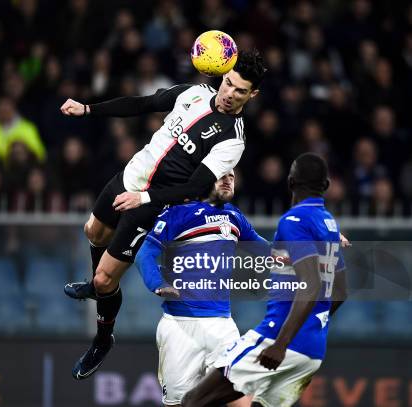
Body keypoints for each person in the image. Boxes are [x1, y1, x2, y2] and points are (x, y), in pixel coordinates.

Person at [60, 49, 267, 379]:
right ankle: (98, 287)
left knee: (104, 278)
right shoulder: (194, 93)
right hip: (129, 178)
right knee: (93, 233)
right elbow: (141, 104)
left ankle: (102, 340)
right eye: (228, 84)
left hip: (152, 204)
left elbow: (195, 188)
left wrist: (143, 199)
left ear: (252, 95)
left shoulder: (233, 140)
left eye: (240, 91)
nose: (229, 94)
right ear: (223, 77)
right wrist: (87, 109)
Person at [181, 152, 348, 407]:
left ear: (290, 182)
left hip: (276, 338)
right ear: (326, 186)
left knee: (194, 401)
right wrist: (312, 326)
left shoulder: (294, 220)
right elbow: (340, 293)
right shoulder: (330, 225)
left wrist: (281, 343)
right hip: (312, 351)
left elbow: (310, 284)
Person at [135, 169, 267, 407]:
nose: (228, 181)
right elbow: (145, 253)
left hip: (223, 326)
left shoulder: (234, 216)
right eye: (222, 176)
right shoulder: (177, 214)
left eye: (232, 177)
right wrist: (158, 284)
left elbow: (268, 250)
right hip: (180, 327)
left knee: (241, 401)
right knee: (181, 403)